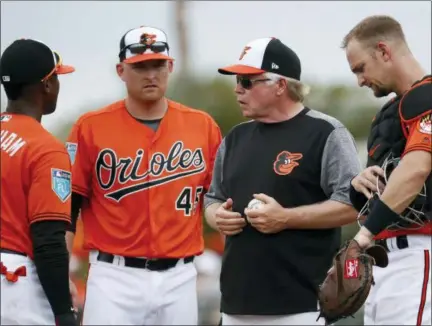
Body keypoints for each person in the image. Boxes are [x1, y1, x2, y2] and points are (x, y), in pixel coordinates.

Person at [65, 25, 222, 325]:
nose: (151, 74)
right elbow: (67, 210)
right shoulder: (90, 127)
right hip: (113, 276)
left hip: (181, 275)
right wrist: (61, 272)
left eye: (158, 65)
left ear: (170, 66)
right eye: (140, 66)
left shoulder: (202, 126)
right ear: (121, 70)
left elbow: (216, 198)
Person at [204, 37, 361, 325]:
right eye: (237, 81)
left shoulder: (326, 132)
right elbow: (212, 199)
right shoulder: (235, 138)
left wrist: (285, 218)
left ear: (280, 85)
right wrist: (217, 216)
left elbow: (353, 205)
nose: (238, 89)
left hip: (302, 305)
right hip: (236, 304)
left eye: (248, 81)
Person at [341, 15, 431, 325]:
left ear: (383, 51)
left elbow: (416, 170)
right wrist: (358, 185)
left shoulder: (428, 98)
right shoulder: (386, 116)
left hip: (420, 255)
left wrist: (362, 237)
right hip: (385, 260)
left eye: (360, 68)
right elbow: (370, 202)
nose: (360, 80)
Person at [0, 39, 77, 325]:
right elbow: (48, 241)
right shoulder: (46, 148)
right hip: (16, 281)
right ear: (46, 84)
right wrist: (63, 312)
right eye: (56, 77)